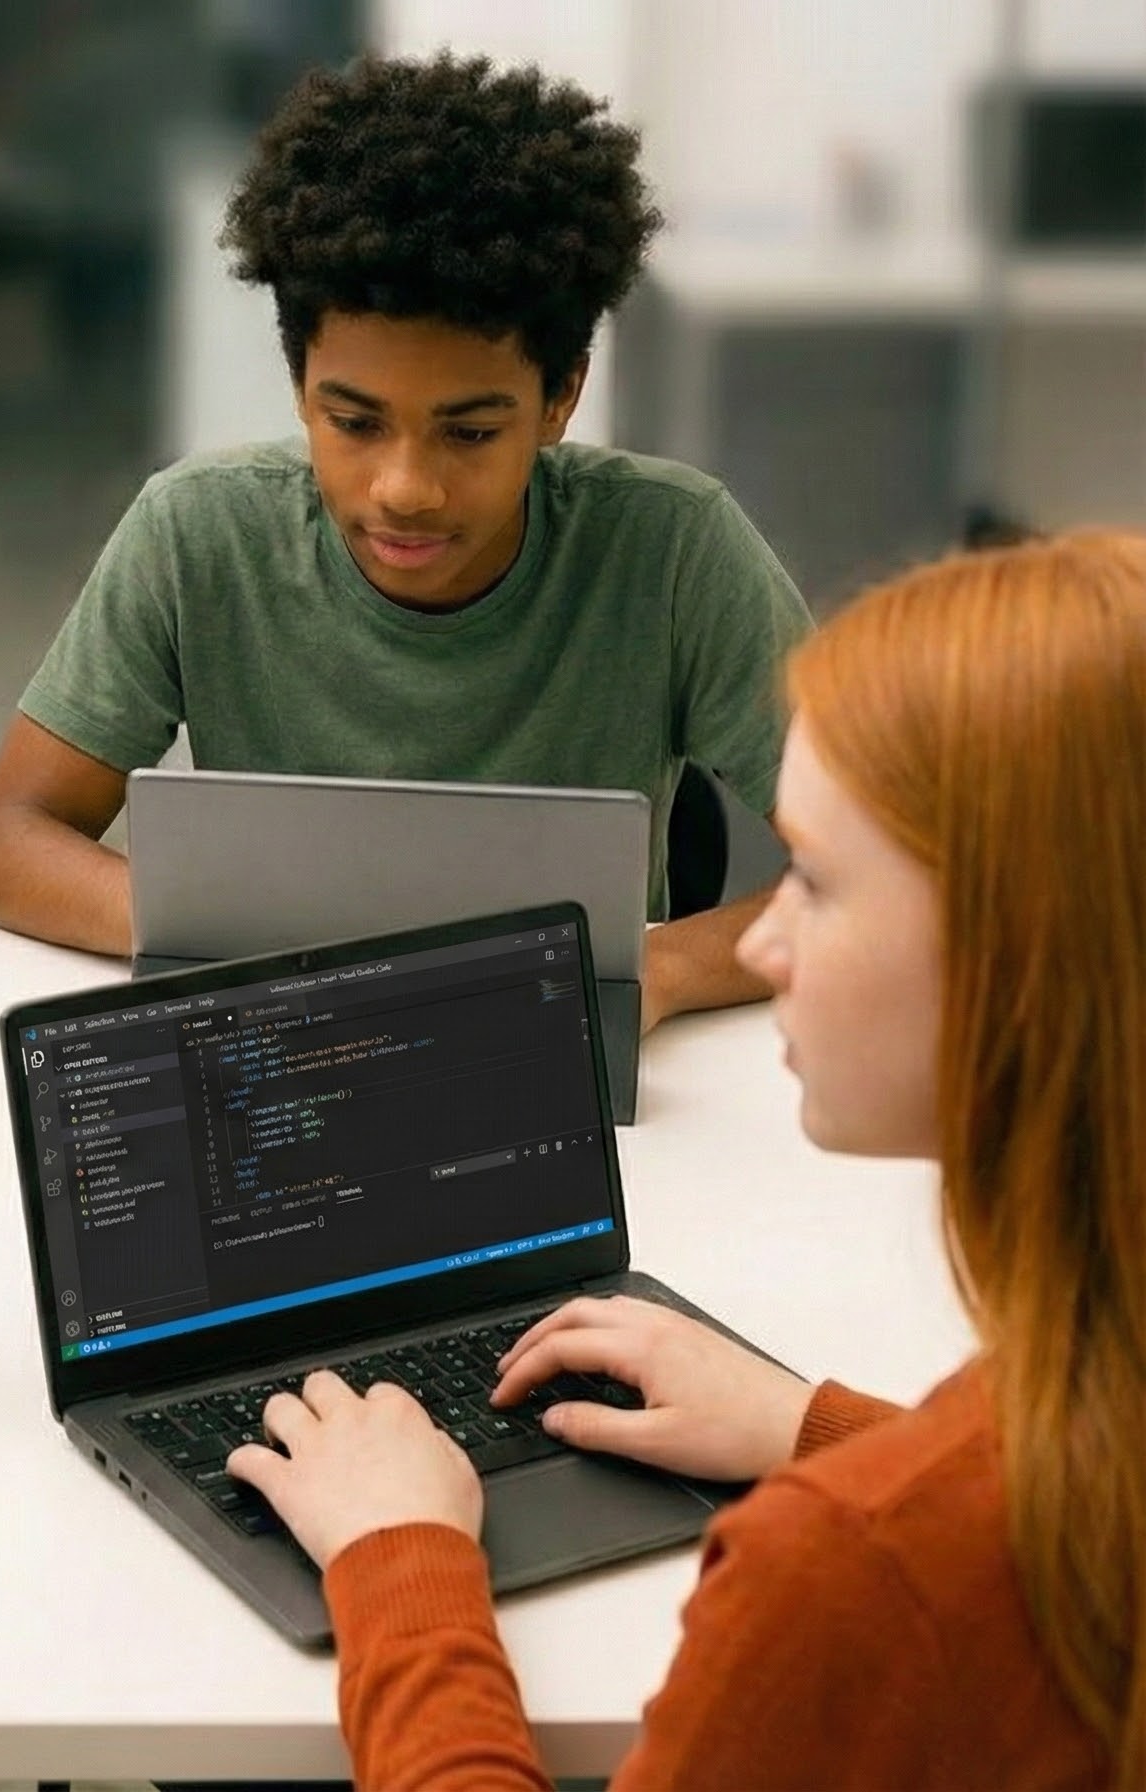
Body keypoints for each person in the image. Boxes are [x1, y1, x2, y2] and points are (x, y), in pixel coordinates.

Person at [227, 531, 1146, 1787]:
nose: (761, 944)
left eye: (815, 881)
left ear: (1024, 945)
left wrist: (401, 1558)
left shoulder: (843, 1580)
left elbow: (943, 1557)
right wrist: (818, 1427)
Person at [0, 55, 810, 1033]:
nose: (404, 489)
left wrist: (654, 971)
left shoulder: (674, 550)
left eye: (469, 433)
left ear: (560, 396)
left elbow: (899, 863)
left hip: (546, 1036)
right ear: (298, 383)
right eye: (354, 423)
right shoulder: (197, 532)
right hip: (288, 1036)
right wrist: (246, 941)